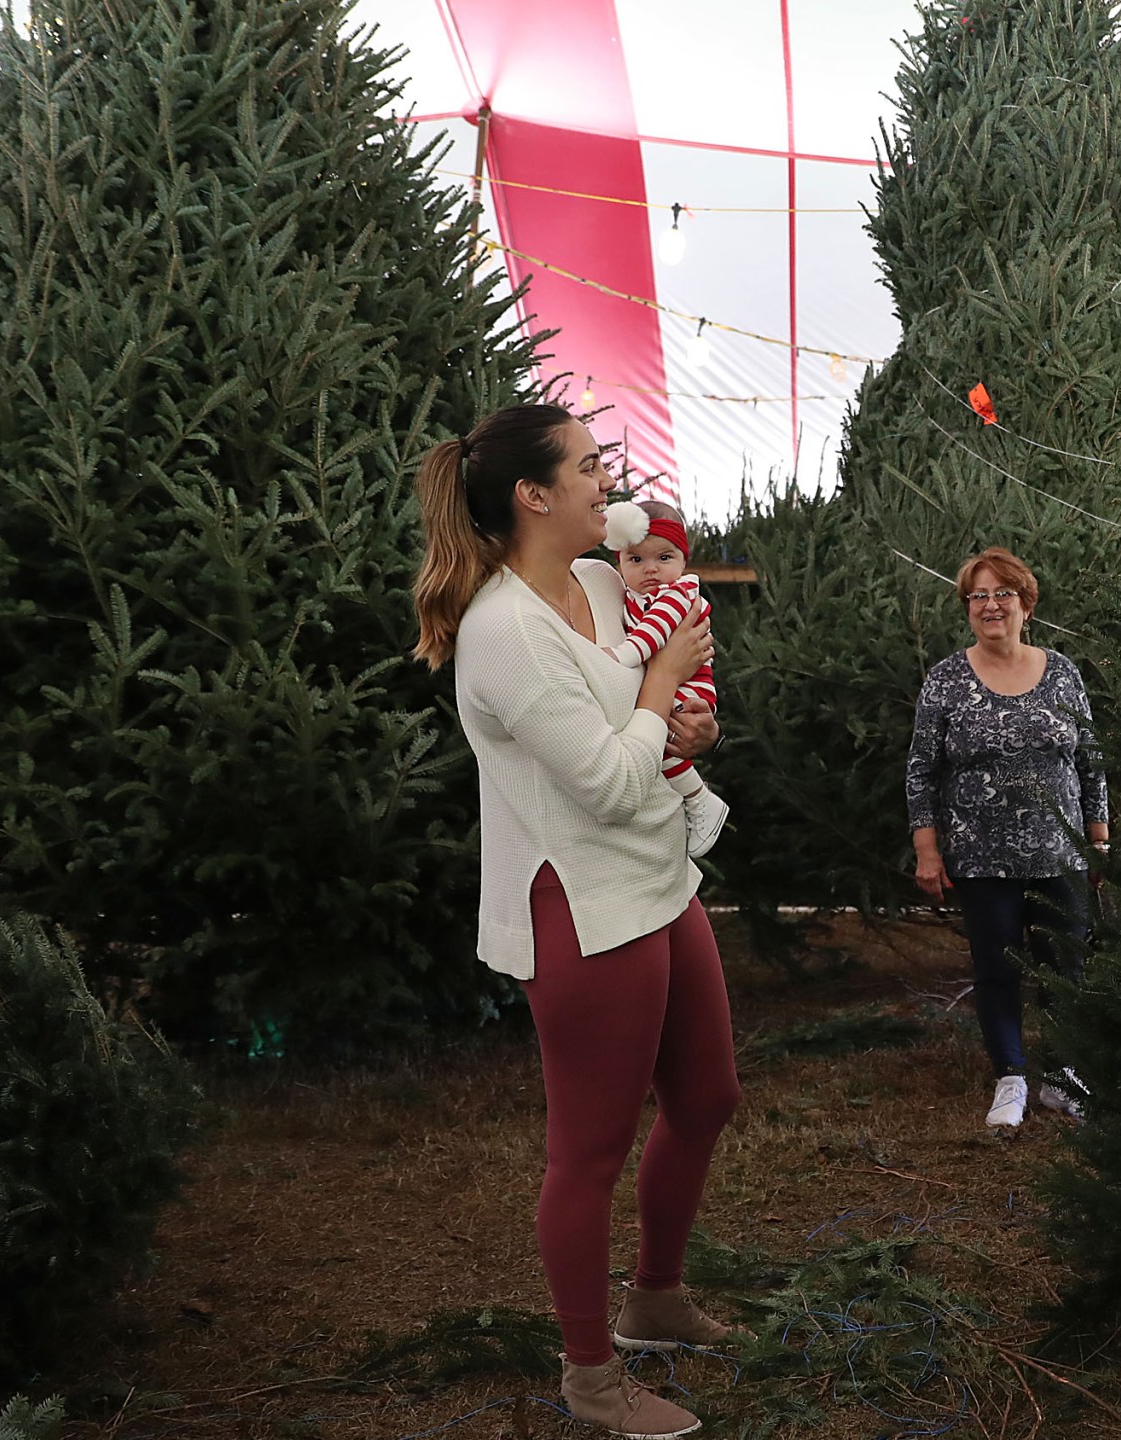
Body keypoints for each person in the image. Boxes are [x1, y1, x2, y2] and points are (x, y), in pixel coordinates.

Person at [412, 403, 739, 1439]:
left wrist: (694, 718)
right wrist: (659, 683)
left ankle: (656, 1299)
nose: (611, 482)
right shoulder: (505, 633)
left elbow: (650, 730)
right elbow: (601, 780)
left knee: (708, 1096)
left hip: (658, 876)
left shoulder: (602, 582)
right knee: (588, 1152)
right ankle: (590, 1375)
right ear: (533, 494)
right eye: (591, 467)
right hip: (581, 905)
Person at [905, 547, 1109, 1129]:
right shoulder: (947, 679)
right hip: (980, 856)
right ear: (968, 608)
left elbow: (1090, 760)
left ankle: (1064, 1079)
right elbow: (922, 768)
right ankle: (1011, 1081)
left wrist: (1100, 842)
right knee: (997, 969)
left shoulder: (1063, 672)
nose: (991, 605)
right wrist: (927, 848)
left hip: (1062, 852)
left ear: (1026, 604)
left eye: (1003, 594)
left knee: (1066, 969)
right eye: (978, 596)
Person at [597, 498, 728, 858]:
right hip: (671, 681)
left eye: (664, 558)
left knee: (660, 742)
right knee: (658, 742)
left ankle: (700, 800)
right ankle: (697, 799)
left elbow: (656, 631)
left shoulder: (680, 592)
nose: (650, 569)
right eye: (636, 560)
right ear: (619, 562)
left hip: (690, 687)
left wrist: (622, 655)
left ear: (683, 561)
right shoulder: (630, 596)